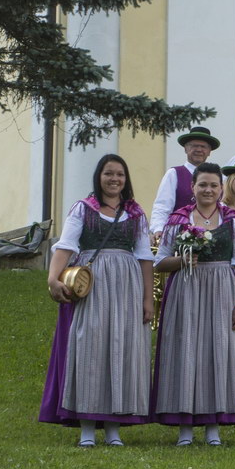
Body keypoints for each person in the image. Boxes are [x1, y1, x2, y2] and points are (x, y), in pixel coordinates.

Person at [40, 154, 155, 446]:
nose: (114, 179)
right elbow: (65, 245)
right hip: (92, 283)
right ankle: (88, 428)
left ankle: (114, 426)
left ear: (126, 180)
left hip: (127, 285)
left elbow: (144, 257)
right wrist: (53, 278)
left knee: (123, 348)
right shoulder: (84, 209)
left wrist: (147, 300)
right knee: (90, 346)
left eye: (119, 174)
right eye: (108, 174)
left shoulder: (136, 213)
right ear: (99, 177)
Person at [151, 162, 235, 445]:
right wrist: (182, 261)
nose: (208, 190)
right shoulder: (178, 220)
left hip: (222, 289)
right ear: (192, 188)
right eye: (202, 185)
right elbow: (160, 262)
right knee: (185, 350)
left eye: (213, 185)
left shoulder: (233, 220)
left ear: (221, 189)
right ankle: (185, 427)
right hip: (186, 290)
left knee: (217, 351)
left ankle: (212, 428)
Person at [150, 126, 222, 236]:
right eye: (194, 146)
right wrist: (158, 229)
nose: (199, 150)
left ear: (209, 151)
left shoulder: (217, 177)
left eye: (203, 147)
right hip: (179, 236)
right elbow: (162, 206)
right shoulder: (174, 173)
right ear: (185, 148)